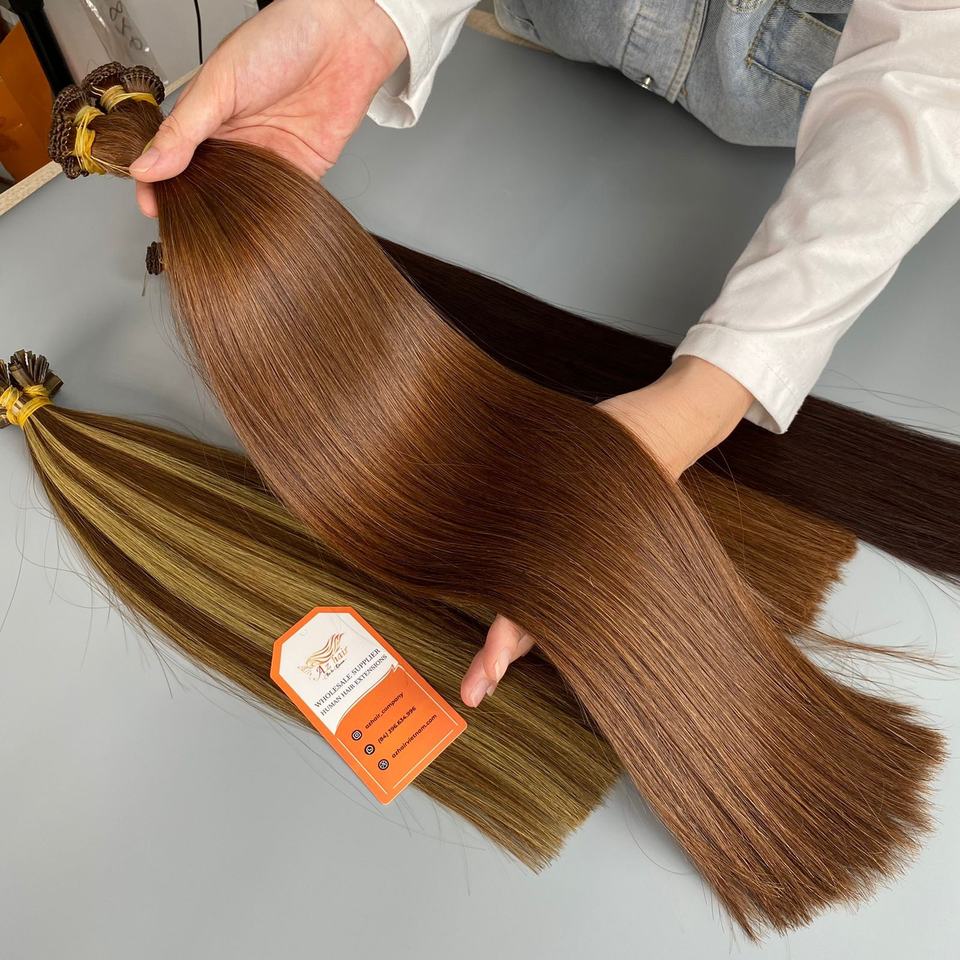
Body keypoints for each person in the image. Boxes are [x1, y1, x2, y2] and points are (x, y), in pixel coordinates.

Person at [129, 0, 960, 708]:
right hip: (534, 59)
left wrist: (704, 400)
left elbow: (928, 69)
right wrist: (368, 18)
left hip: (838, 138)